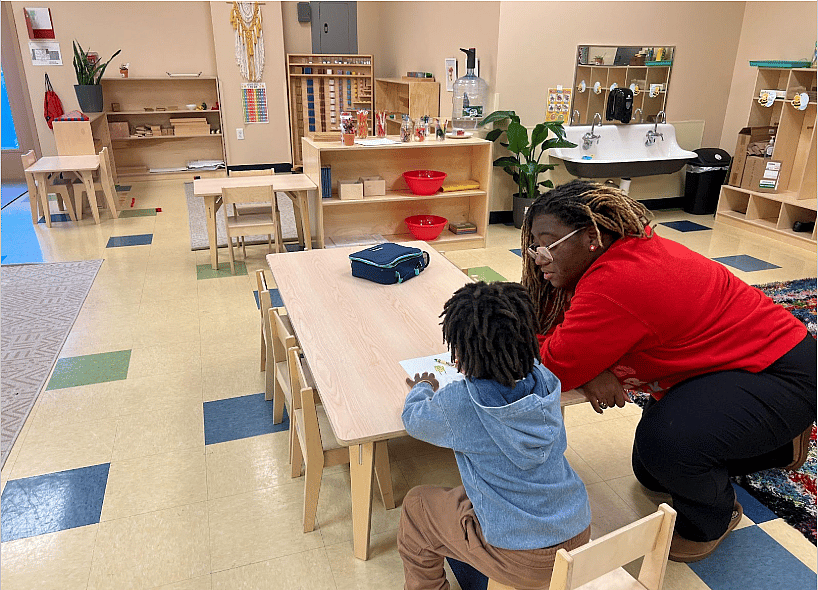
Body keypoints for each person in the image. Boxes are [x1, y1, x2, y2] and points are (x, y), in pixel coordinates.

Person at [521, 179, 816, 563]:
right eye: (534, 246)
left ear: (592, 235)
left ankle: (714, 520)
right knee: (651, 471)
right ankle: (777, 445)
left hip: (780, 376)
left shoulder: (615, 282)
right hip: (733, 368)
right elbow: (561, 343)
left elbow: (556, 364)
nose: (538, 257)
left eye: (548, 245)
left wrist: (586, 367)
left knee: (669, 446)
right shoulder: (617, 255)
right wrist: (589, 366)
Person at [398, 281, 591, 590]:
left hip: (523, 559)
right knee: (468, 493)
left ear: (460, 355)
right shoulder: (545, 379)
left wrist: (423, 387)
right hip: (577, 530)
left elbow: (414, 420)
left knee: (417, 505)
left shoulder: (459, 403)